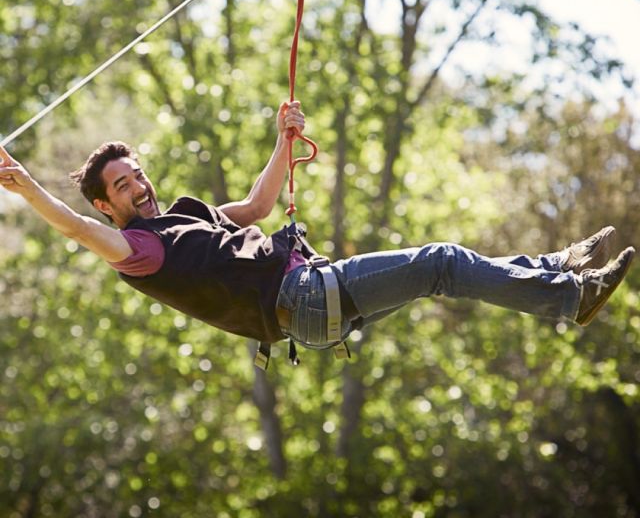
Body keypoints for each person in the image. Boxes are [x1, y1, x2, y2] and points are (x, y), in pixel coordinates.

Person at [0, 100, 635, 365]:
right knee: (440, 261)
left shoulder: (182, 224)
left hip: (312, 311)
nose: (137, 185)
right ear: (109, 207)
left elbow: (256, 204)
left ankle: (557, 268)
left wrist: (283, 141)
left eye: (136, 173)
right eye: (122, 186)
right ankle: (568, 298)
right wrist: (28, 187)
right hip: (305, 297)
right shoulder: (137, 250)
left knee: (442, 270)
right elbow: (79, 230)